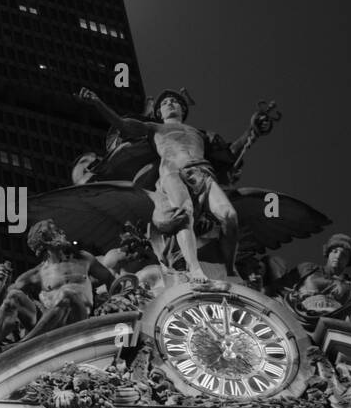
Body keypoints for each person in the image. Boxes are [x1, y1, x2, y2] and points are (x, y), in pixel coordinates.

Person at [73, 86, 267, 281]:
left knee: (229, 216)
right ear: (159, 113)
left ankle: (230, 268)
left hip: (203, 172)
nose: (170, 104)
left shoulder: (201, 134)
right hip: (171, 171)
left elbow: (230, 153)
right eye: (165, 103)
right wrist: (97, 102)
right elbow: (123, 125)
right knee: (184, 214)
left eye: (174, 101)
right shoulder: (154, 128)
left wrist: (253, 131)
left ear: (183, 110)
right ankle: (195, 269)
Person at [0, 219, 114, 365]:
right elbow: (3, 303)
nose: (62, 232)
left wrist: (114, 301)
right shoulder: (36, 274)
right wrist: (3, 282)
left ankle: (22, 346)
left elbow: (110, 279)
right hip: (50, 326)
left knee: (67, 293)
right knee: (13, 296)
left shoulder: (83, 258)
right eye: (55, 230)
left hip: (78, 321)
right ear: (44, 240)